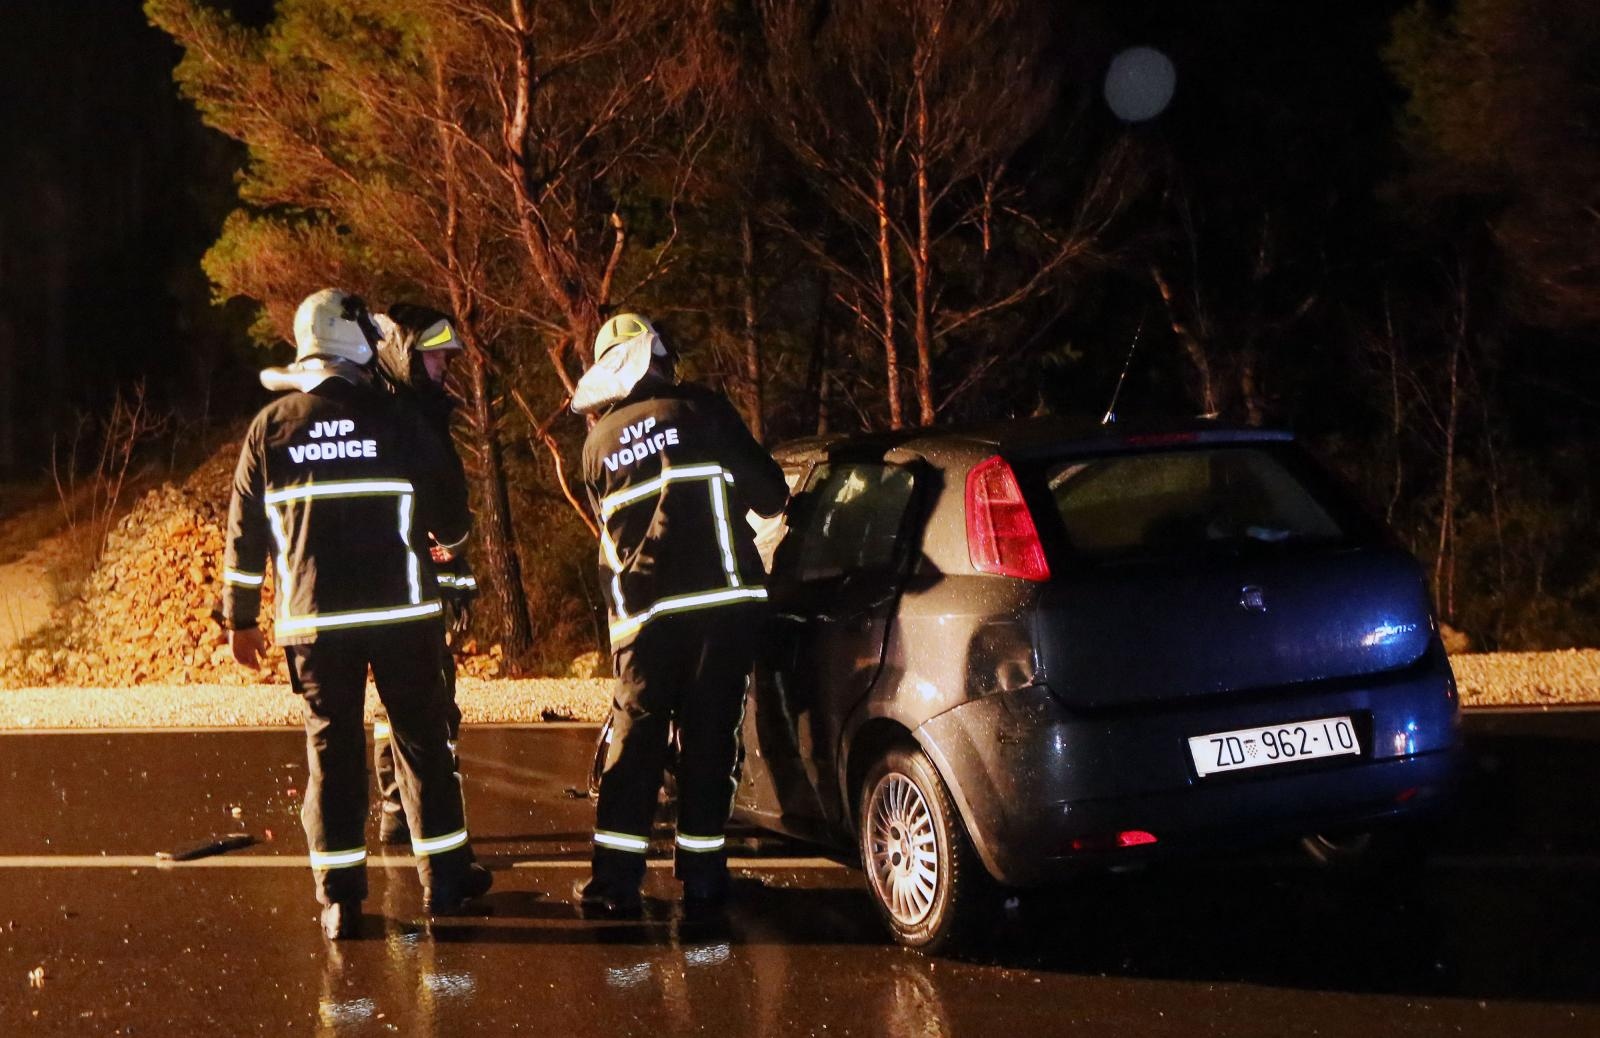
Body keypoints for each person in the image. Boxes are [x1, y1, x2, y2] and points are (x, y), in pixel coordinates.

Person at [218, 288, 491, 939]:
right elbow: (451, 512)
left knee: (332, 754)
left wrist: (240, 618)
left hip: (316, 623)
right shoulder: (398, 418)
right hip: (403, 615)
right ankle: (445, 882)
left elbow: (244, 533)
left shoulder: (271, 427)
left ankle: (341, 899)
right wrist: (450, 544)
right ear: (355, 342)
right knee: (423, 744)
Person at [570, 312, 788, 917]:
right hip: (721, 610)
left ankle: (614, 885)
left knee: (635, 745)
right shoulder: (703, 411)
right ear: (662, 358)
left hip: (643, 620)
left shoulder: (595, 445)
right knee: (710, 742)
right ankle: (704, 877)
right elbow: (771, 494)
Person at [367, 303, 477, 846]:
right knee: (424, 703)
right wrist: (453, 556)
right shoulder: (404, 418)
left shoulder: (406, 412)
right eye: (436, 359)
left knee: (411, 704)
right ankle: (421, 820)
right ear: (406, 355)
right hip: (405, 589)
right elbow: (444, 512)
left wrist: (457, 581)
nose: (444, 369)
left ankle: (400, 809)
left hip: (409, 583)